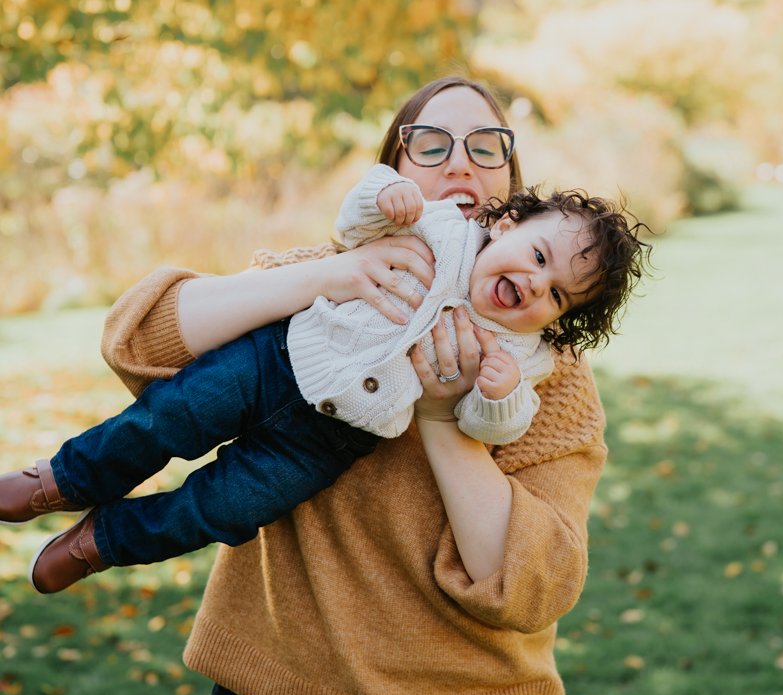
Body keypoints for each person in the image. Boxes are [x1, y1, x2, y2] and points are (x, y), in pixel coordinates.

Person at [38, 76, 636, 695]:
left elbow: (533, 583)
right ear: (397, 163)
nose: (458, 163)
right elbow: (139, 339)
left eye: (487, 147)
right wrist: (323, 277)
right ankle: (79, 512)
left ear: (512, 194)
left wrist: (444, 421)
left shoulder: (536, 376)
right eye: (431, 143)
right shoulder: (323, 275)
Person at [0, 160, 645, 596]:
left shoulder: (525, 356)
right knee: (165, 419)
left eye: (557, 295)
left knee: (225, 507)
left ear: (560, 321)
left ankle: (104, 541)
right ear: (503, 225)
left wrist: (498, 396)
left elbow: (488, 425)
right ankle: (60, 479)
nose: (535, 282)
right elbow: (354, 224)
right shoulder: (444, 227)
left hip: (330, 442)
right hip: (275, 359)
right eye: (537, 256)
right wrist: (386, 197)